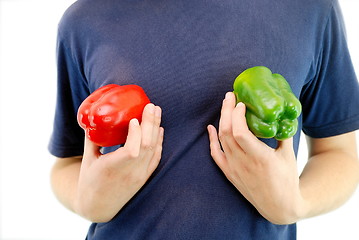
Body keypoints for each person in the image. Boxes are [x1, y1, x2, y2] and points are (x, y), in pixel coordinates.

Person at [48, 0, 359, 239]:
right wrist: (87, 203)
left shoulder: (310, 8)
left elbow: (338, 152)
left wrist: (295, 205)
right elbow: (68, 161)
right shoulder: (84, 20)